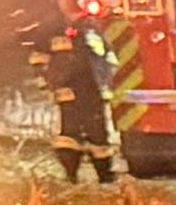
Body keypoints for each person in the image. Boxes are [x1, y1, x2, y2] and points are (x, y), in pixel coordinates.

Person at [36, 21, 119, 186]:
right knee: (74, 136)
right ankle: (78, 176)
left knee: (92, 137)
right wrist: (49, 85)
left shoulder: (87, 30)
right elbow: (41, 60)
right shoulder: (56, 29)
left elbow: (104, 58)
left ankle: (101, 178)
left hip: (88, 92)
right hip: (77, 93)